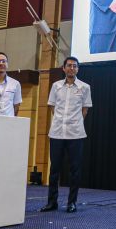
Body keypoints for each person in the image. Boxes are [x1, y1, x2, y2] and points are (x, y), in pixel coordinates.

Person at [39, 56, 92, 213]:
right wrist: (61, 121)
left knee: (75, 170)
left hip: (75, 134)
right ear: (63, 68)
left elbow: (85, 110)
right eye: (69, 65)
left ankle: (72, 202)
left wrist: (74, 122)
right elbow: (52, 107)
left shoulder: (85, 87)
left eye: (75, 66)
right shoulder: (56, 86)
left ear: (78, 69)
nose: (71, 68)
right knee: (54, 170)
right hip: (57, 133)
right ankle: (52, 202)